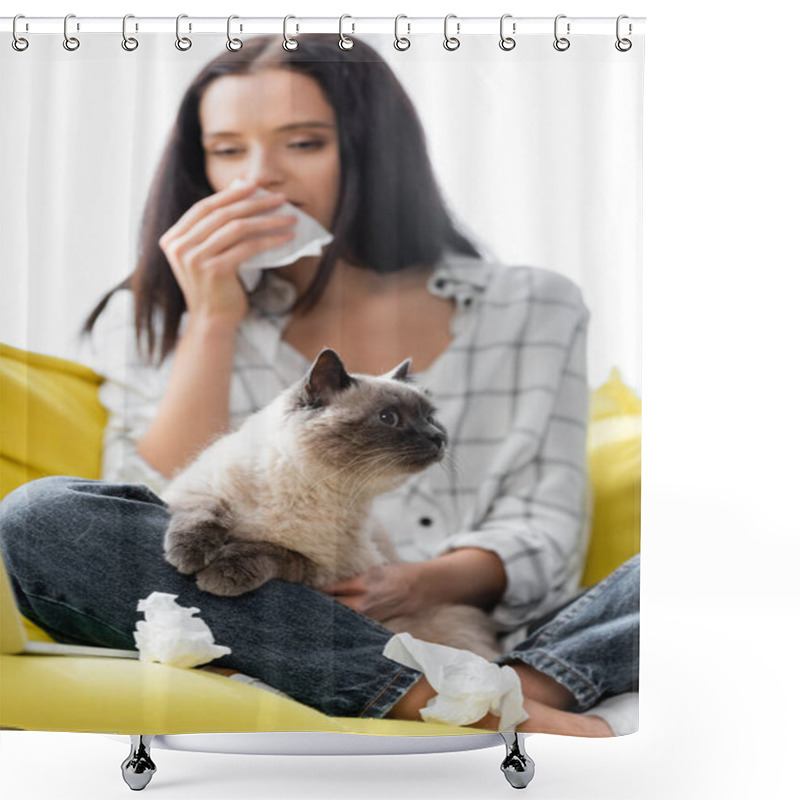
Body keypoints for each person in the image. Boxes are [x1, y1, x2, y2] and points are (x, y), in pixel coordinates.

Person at [0, 34, 638, 737]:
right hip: (254, 613)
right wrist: (213, 319)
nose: (259, 178)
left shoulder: (531, 305)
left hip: (464, 623)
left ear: (373, 150)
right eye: (227, 150)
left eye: (302, 143)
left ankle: (512, 681)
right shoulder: (157, 313)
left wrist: (414, 584)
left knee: (711, 547)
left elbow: (544, 527)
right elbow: (150, 525)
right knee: (36, 519)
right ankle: (436, 695)